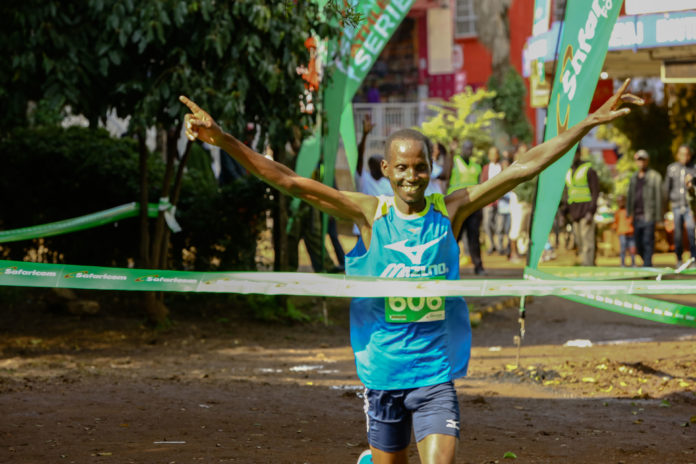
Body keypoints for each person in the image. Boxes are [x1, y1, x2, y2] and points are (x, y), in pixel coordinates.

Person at [179, 78, 641, 464]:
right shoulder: (369, 214)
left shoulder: (451, 209)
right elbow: (288, 180)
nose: (411, 177)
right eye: (401, 167)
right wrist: (225, 140)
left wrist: (587, 123)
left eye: (420, 168)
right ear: (386, 169)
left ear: (432, 167)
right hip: (382, 372)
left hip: (434, 372)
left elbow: (522, 168)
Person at [446, 140, 485, 275]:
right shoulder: (454, 161)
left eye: (471, 148)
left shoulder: (476, 166)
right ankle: (449, 266)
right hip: (457, 205)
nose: (468, 151)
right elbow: (446, 175)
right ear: (462, 149)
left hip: (473, 205)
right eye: (466, 148)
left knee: (474, 236)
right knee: (455, 236)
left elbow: (480, 184)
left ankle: (478, 266)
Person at [626, 149, 662, 267]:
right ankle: (647, 264)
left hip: (648, 216)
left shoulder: (655, 177)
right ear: (636, 161)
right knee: (638, 244)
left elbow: (659, 197)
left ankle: (647, 267)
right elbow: (630, 196)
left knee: (648, 243)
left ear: (647, 161)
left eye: (643, 160)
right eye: (639, 160)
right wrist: (629, 213)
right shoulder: (633, 177)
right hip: (636, 216)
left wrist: (658, 217)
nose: (641, 162)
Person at [564, 147, 600, 266]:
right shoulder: (568, 171)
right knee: (579, 242)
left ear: (579, 154)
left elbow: (595, 192)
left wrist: (591, 211)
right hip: (574, 214)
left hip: (586, 213)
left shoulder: (588, 170)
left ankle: (588, 267)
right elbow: (567, 193)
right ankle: (586, 264)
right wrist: (564, 213)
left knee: (587, 243)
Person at [663, 144, 696, 267]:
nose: (684, 157)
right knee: (677, 234)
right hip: (676, 206)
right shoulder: (672, 169)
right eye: (682, 154)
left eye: (687, 154)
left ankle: (693, 259)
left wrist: (691, 185)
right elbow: (666, 189)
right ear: (677, 155)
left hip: (689, 207)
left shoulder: (694, 169)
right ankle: (679, 259)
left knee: (692, 232)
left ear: (690, 155)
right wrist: (665, 209)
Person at [480, 146, 502, 255]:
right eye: (491, 154)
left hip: (501, 201)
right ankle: (491, 244)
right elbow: (482, 183)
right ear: (489, 156)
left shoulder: (502, 167)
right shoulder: (485, 168)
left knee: (499, 225)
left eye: (495, 153)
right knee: (487, 223)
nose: (493, 156)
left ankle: (499, 245)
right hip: (488, 201)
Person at [613, 195, 636, 267]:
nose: (620, 203)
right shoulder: (617, 212)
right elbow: (616, 222)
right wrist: (614, 227)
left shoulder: (629, 211)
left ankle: (633, 263)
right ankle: (622, 264)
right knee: (622, 249)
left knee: (632, 249)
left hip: (630, 233)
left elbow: (633, 220)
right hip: (622, 233)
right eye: (619, 202)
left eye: (622, 201)